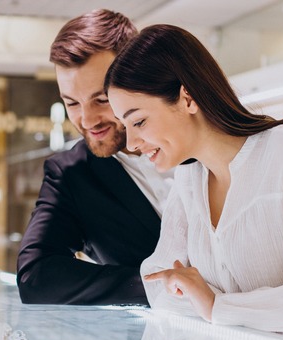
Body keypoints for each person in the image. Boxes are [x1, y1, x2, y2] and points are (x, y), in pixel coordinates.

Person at [105, 24, 283, 340]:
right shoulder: (189, 180)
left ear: (187, 97)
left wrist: (219, 307)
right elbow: (159, 283)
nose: (132, 143)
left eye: (139, 122)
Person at [16, 9, 173, 305]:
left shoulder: (198, 143)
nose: (87, 120)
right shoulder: (72, 173)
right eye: (72, 103)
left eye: (101, 99)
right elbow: (35, 276)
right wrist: (160, 288)